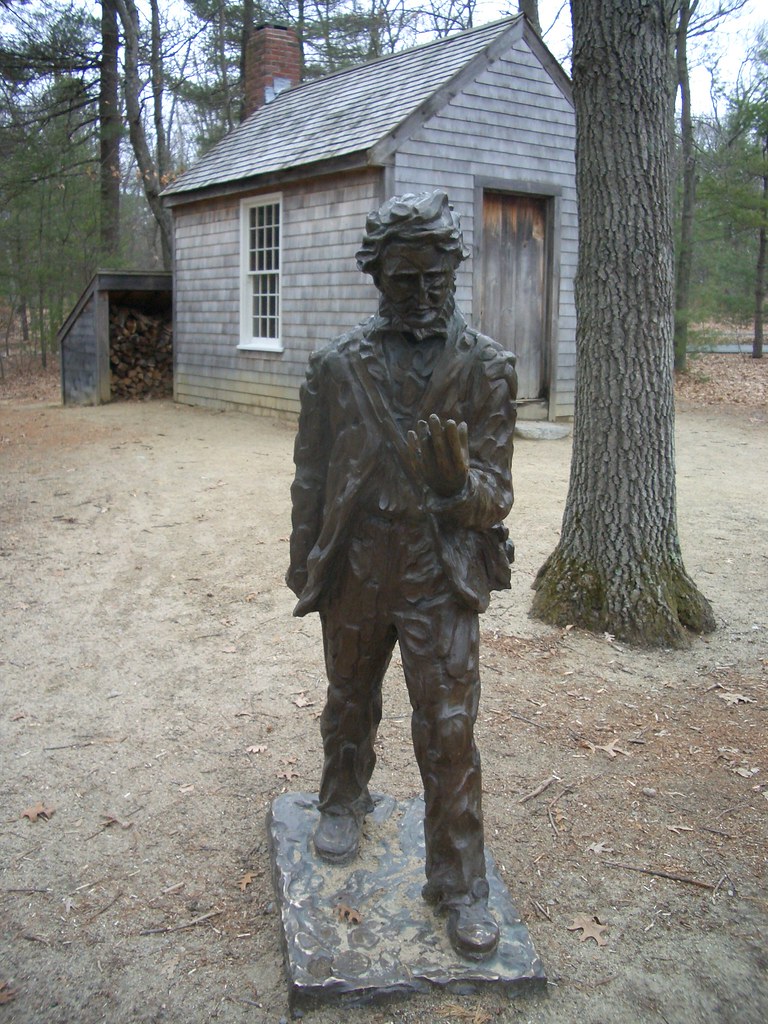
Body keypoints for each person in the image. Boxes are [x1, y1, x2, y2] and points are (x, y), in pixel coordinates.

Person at [286, 190, 517, 961]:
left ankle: (460, 885)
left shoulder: (487, 367)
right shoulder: (335, 368)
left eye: (434, 279)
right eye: (403, 279)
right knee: (349, 696)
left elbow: (497, 495)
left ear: (453, 270)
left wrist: (458, 489)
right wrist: (302, 560)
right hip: (357, 562)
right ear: (377, 275)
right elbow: (311, 477)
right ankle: (342, 798)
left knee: (450, 730)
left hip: (437, 567)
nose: (420, 295)